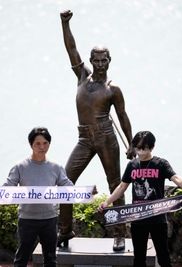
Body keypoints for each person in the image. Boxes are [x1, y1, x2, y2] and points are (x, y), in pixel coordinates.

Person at [58, 9, 136, 252]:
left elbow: (122, 116)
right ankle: (65, 229)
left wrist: (131, 144)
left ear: (109, 61)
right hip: (84, 138)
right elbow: (71, 49)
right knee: (65, 183)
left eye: (104, 60)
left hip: (106, 138)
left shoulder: (114, 89)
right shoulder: (82, 76)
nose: (100, 64)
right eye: (97, 60)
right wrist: (65, 24)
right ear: (91, 61)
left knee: (116, 185)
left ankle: (119, 234)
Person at [98, 131, 182, 267]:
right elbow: (122, 187)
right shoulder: (132, 165)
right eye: (137, 148)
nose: (140, 152)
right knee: (139, 258)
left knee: (163, 255)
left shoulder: (161, 164)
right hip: (138, 216)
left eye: (143, 148)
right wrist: (107, 202)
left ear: (151, 147)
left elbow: (175, 178)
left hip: (158, 218)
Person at [0, 127, 74, 267]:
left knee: (51, 259)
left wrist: (87, 192)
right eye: (38, 144)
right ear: (31, 145)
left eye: (45, 143)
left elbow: (68, 186)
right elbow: (9, 186)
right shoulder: (20, 167)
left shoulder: (56, 167)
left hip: (50, 220)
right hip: (27, 220)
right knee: (22, 259)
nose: (42, 147)